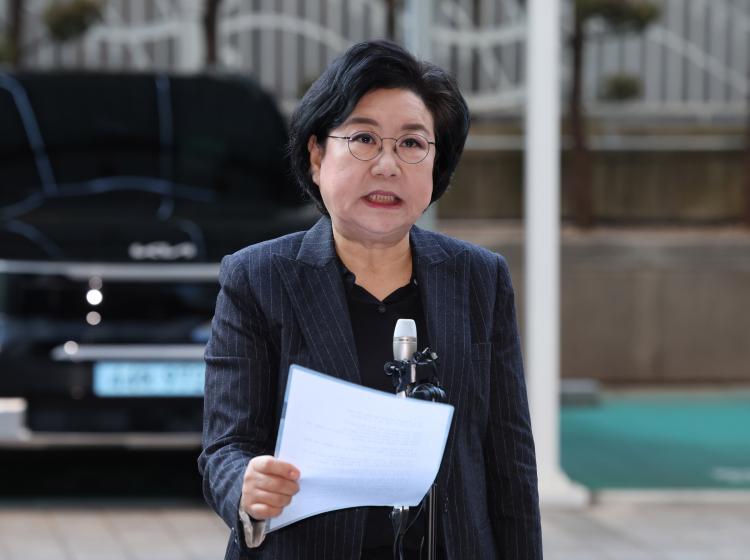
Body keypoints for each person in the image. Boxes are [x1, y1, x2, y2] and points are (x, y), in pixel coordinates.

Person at [198, 39, 542, 559]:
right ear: (317, 156)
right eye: (363, 138)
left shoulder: (480, 278)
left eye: (411, 143)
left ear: (436, 165)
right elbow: (225, 447)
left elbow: (510, 463)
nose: (387, 165)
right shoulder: (258, 278)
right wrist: (247, 484)